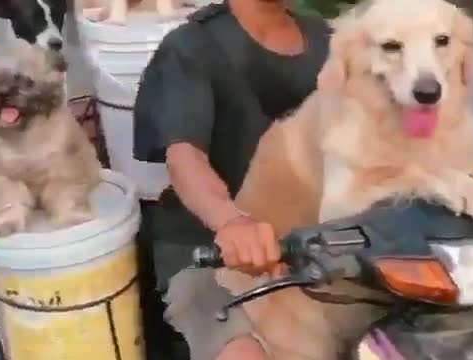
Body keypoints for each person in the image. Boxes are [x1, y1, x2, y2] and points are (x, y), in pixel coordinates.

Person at [132, 0, 330, 359]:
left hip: (318, 245)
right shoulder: (190, 46)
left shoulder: (327, 38)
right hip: (211, 253)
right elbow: (185, 158)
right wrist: (231, 221)